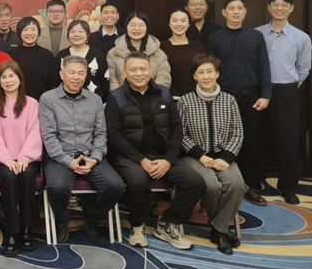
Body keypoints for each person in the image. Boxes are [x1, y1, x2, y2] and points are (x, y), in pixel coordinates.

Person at [106, 52, 205, 250]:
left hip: (162, 155)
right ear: (125, 72)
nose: (139, 74)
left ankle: (167, 223)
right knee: (137, 181)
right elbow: (114, 135)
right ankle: (137, 225)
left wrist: (168, 160)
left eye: (143, 69)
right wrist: (141, 160)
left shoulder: (164, 93)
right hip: (130, 157)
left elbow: (177, 129)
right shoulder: (115, 97)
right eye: (133, 69)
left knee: (195, 183)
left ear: (150, 70)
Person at [41, 56, 124, 243]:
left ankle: (92, 215)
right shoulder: (48, 99)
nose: (76, 77)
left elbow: (100, 133)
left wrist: (94, 158)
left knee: (115, 186)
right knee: (57, 187)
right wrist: (68, 162)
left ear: (86, 76)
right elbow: (49, 136)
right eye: (71, 72)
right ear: (62, 74)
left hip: (90, 155)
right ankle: (61, 220)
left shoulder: (95, 99)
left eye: (80, 73)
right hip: (60, 156)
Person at [206, 0, 272, 206]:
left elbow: (264, 66)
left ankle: (251, 186)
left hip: (251, 97)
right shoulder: (214, 38)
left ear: (245, 12)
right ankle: (226, 185)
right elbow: (209, 70)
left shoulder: (256, 37)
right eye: (231, 8)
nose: (236, 12)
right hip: (223, 98)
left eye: (240, 8)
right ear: (224, 12)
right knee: (224, 141)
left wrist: (266, 95)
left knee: (250, 142)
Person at [179, 54, 246, 255]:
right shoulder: (185, 101)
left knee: (237, 184)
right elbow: (180, 134)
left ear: (217, 74)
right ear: (194, 76)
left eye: (210, 71)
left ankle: (218, 230)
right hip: (195, 157)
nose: (206, 76)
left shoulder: (229, 100)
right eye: (201, 72)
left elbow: (238, 133)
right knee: (212, 186)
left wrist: (226, 158)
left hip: (224, 155)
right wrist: (201, 155)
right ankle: (223, 231)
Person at [256, 0, 311, 204]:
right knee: (256, 138)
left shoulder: (301, 38)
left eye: (284, 5)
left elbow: (303, 69)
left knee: (289, 141)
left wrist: (288, 86)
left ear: (291, 8)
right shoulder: (257, 34)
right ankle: (253, 184)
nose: (280, 8)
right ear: (269, 7)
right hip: (259, 91)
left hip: (287, 92)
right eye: (276, 4)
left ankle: (288, 187)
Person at [0, 61, 43, 255]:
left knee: (27, 176)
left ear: (20, 78)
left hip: (27, 157)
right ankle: (12, 231)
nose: (8, 80)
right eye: (4, 77)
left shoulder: (32, 103)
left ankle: (27, 228)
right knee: (8, 177)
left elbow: (35, 133)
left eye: (12, 76)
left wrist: (25, 156)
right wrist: (7, 159)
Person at [108, 11, 171, 91]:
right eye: (132, 25)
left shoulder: (158, 53)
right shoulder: (113, 53)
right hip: (122, 97)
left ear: (147, 28)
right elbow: (112, 80)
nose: (136, 28)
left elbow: (164, 77)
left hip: (153, 97)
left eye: (141, 25)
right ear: (126, 27)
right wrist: (121, 96)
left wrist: (151, 95)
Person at [56, 20, 110, 101]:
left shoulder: (98, 55)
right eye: (73, 31)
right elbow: (55, 81)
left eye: (81, 31)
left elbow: (105, 81)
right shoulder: (61, 55)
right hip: (65, 101)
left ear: (87, 35)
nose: (76, 35)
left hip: (93, 101)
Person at [9, 17, 57, 100]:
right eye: (25, 30)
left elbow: (53, 83)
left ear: (38, 32)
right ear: (19, 32)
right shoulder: (11, 55)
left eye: (33, 29)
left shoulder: (47, 55)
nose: (29, 33)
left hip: (42, 102)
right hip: (16, 102)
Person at [161, 9, 206, 97]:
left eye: (183, 20)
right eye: (175, 20)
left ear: (189, 24)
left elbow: (203, 70)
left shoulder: (198, 45)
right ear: (169, 24)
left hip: (196, 96)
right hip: (170, 96)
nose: (179, 24)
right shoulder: (161, 47)